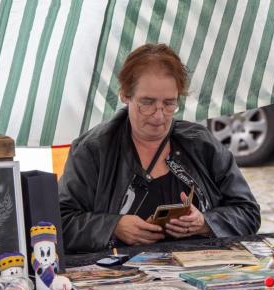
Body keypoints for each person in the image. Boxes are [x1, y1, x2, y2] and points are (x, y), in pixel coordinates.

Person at [59, 43, 260, 253]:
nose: (159, 114)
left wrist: (205, 222)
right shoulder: (93, 151)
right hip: (121, 278)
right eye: (147, 102)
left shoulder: (202, 144)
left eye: (169, 103)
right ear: (125, 95)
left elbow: (248, 212)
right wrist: (114, 226)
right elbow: (58, 224)